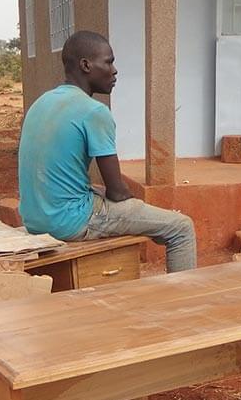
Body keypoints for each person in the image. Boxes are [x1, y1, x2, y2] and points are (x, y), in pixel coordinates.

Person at [17, 30, 197, 273]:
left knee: (105, 196)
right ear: (86, 65)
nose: (114, 70)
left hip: (34, 218)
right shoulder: (94, 112)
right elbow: (118, 192)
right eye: (109, 61)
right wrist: (136, 204)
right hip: (69, 222)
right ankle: (183, 303)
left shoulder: (42, 103)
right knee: (181, 228)